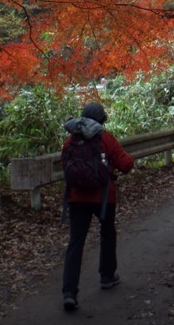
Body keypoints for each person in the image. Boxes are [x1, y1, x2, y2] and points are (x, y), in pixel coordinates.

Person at [61, 102, 134, 312]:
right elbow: (126, 164)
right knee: (107, 233)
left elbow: (64, 163)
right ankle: (107, 276)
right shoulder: (106, 138)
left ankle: (69, 292)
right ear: (102, 119)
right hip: (103, 197)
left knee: (76, 242)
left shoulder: (70, 139)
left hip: (76, 198)